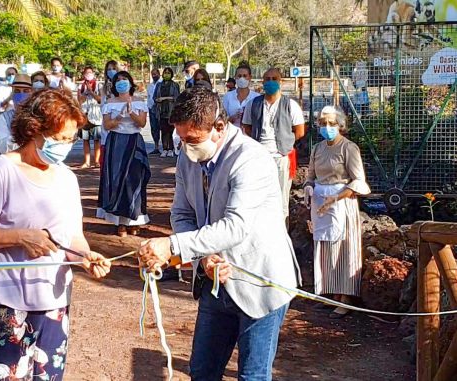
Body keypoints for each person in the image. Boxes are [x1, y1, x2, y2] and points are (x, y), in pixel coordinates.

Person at [137, 87, 300, 380]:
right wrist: (205, 256)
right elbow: (182, 214)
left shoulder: (251, 160)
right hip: (215, 281)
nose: (186, 146)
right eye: (181, 139)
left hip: (260, 281)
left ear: (219, 127)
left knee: (252, 376)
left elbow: (235, 226)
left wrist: (172, 246)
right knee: (202, 371)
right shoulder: (188, 157)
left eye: (192, 139)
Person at [0, 89, 111, 380]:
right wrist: (19, 236)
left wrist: (86, 256)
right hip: (4, 303)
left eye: (71, 139)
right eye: (59, 138)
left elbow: (71, 236)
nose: (65, 146)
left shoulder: (66, 178)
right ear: (34, 130)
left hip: (53, 303)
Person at [304, 106, 370, 319]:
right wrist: (307, 187)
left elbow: (358, 180)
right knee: (323, 247)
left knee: (342, 249)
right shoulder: (318, 148)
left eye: (332, 124)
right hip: (320, 203)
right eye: (323, 124)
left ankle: (345, 298)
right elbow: (310, 175)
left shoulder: (348, 148)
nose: (327, 127)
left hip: (341, 202)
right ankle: (328, 294)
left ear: (341, 125)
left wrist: (337, 197)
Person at [242, 68, 305, 220]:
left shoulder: (290, 105)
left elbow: (300, 131)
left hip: (281, 156)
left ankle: (282, 234)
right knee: (258, 196)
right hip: (259, 157)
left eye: (274, 79)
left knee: (281, 199)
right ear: (263, 82)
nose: (270, 82)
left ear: (281, 82)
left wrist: (286, 142)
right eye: (267, 79)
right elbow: (247, 126)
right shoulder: (254, 104)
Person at [97, 71, 150, 237]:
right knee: (116, 179)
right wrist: (120, 116)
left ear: (130, 82)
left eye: (124, 79)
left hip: (134, 141)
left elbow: (141, 123)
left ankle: (135, 219)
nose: (121, 82)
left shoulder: (139, 102)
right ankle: (119, 221)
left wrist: (131, 112)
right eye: (118, 80)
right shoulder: (109, 103)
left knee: (134, 179)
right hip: (116, 143)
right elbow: (107, 126)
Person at [0, 74, 33, 154]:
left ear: (31, 93)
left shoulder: (38, 115)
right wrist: (22, 133)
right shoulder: (3, 118)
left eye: (25, 91)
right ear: (12, 94)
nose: (21, 95)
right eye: (17, 91)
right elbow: (2, 147)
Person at [77, 66, 102, 168]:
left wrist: (92, 92)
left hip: (96, 115)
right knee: (85, 139)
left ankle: (97, 161)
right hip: (85, 114)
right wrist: (86, 92)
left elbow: (100, 99)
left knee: (97, 140)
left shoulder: (99, 85)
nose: (88, 74)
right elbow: (79, 101)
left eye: (90, 72)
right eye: (86, 73)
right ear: (83, 74)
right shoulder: (80, 87)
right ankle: (87, 162)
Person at [223, 62, 260, 128]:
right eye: (239, 76)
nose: (242, 79)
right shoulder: (228, 96)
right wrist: (231, 118)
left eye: (245, 76)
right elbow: (222, 118)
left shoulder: (257, 97)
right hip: (231, 133)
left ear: (250, 77)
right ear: (235, 77)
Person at [154, 67, 180, 158]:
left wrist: (165, 98)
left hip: (171, 111)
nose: (166, 74)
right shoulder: (159, 85)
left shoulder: (175, 85)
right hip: (161, 111)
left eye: (168, 73)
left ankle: (171, 149)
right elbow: (155, 97)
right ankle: (164, 149)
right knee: (164, 131)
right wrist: (157, 100)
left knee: (171, 131)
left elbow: (176, 97)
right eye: (165, 73)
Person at [99, 60, 119, 157]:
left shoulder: (122, 86)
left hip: (119, 122)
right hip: (107, 122)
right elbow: (103, 105)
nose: (111, 71)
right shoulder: (104, 88)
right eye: (109, 69)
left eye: (114, 69)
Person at [147, 68, 162, 155]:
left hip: (160, 108)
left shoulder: (162, 84)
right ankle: (156, 146)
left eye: (155, 74)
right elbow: (149, 97)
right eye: (152, 74)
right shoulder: (150, 86)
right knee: (154, 128)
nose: (154, 76)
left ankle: (166, 147)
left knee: (163, 128)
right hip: (151, 108)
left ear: (159, 74)